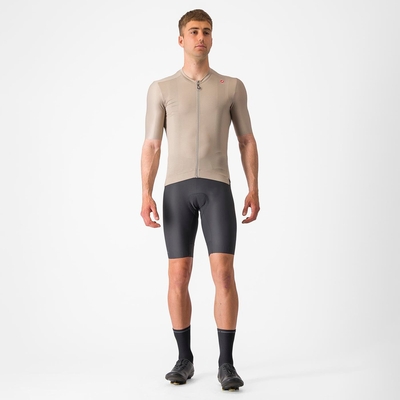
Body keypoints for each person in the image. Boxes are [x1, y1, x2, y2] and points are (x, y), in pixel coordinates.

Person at [140, 9, 260, 391]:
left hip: (217, 188)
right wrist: (145, 193)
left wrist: (253, 187)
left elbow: (246, 140)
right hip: (176, 190)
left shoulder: (231, 87)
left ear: (212, 38)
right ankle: (184, 359)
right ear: (181, 39)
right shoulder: (161, 88)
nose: (200, 37)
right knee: (178, 275)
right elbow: (152, 145)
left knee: (224, 274)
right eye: (193, 31)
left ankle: (226, 363)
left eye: (206, 31)